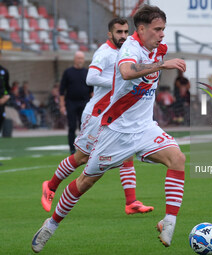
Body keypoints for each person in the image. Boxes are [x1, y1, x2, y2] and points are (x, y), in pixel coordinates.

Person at [32, 5, 186, 253]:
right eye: (157, 30)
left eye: (163, 30)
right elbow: (126, 72)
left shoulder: (159, 48)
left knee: (178, 158)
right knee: (85, 181)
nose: (162, 35)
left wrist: (161, 61)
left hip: (145, 128)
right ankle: (50, 226)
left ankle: (168, 222)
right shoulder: (129, 49)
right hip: (116, 130)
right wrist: (162, 66)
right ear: (142, 29)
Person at [40, 17, 153, 216]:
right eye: (119, 32)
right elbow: (90, 78)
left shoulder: (127, 52)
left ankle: (131, 202)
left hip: (116, 114)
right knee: (81, 157)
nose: (123, 36)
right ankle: (50, 186)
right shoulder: (105, 52)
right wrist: (118, 81)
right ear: (110, 34)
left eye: (126, 32)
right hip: (97, 113)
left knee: (126, 156)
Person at [59, 51, 93, 154]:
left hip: (85, 103)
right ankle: (72, 149)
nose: (80, 60)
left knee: (84, 127)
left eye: (82, 58)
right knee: (72, 126)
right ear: (74, 59)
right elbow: (62, 90)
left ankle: (84, 149)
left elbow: (92, 91)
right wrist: (62, 105)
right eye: (78, 58)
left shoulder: (87, 72)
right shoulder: (68, 72)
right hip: (71, 103)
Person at [0, 56, 10, 136]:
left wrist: (6, 96)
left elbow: (6, 87)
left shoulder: (4, 71)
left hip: (1, 101)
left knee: (1, 118)